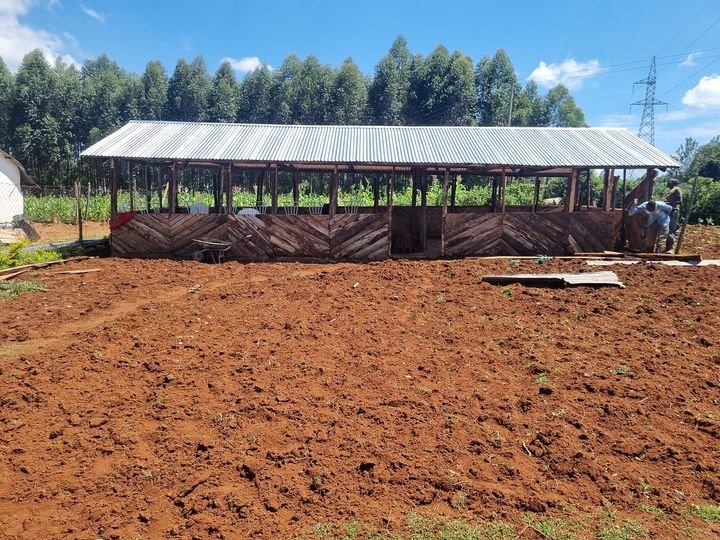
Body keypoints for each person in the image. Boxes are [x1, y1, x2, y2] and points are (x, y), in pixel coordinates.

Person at [665, 178, 683, 253]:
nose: (667, 183)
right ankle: (667, 247)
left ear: (673, 183)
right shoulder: (672, 190)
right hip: (669, 210)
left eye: (669, 181)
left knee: (671, 229)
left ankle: (670, 248)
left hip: (673, 211)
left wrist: (668, 204)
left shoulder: (677, 189)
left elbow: (680, 202)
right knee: (668, 229)